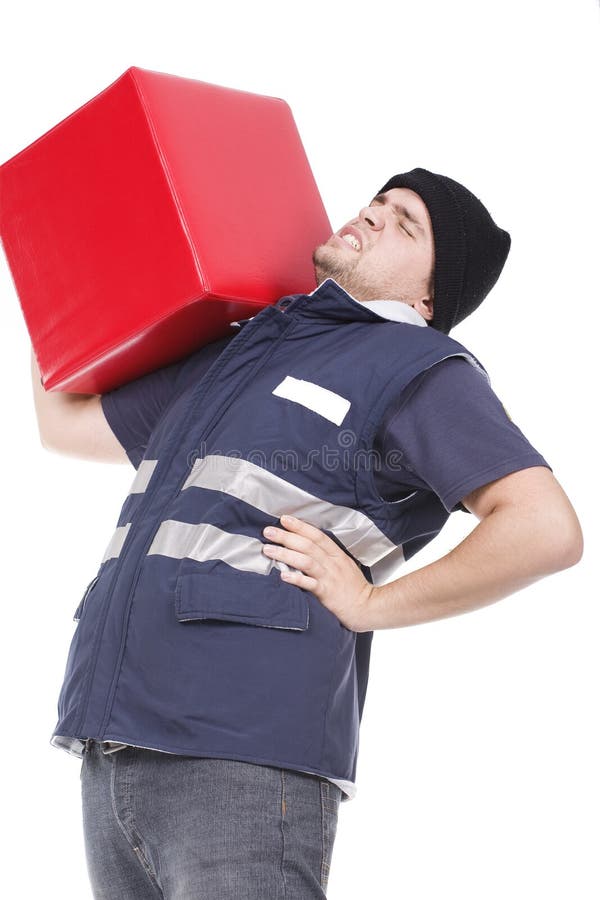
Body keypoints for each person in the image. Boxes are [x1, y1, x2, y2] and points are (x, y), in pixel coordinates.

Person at [31, 167, 583, 899]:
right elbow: (64, 425)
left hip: (243, 754)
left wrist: (371, 604)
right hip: (113, 738)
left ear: (428, 297)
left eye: (407, 224)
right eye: (379, 202)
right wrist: (53, 280)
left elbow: (545, 527)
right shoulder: (238, 352)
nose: (376, 215)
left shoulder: (418, 367)